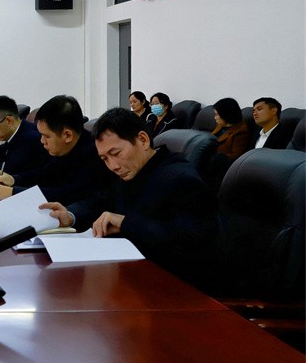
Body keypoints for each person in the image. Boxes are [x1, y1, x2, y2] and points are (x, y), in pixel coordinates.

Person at [39, 108, 221, 290]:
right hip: (132, 277)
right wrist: (70, 216)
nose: (113, 166)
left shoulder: (181, 180)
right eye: (104, 159)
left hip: (174, 288)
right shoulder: (133, 171)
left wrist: (125, 223)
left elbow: (191, 244)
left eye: (116, 153)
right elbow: (100, 201)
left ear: (142, 140)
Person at [0, 95, 108, 205]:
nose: (42, 141)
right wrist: (14, 179)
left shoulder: (94, 155)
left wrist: (14, 192)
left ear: (67, 135)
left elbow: (66, 194)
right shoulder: (64, 147)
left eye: (46, 136)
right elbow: (45, 173)